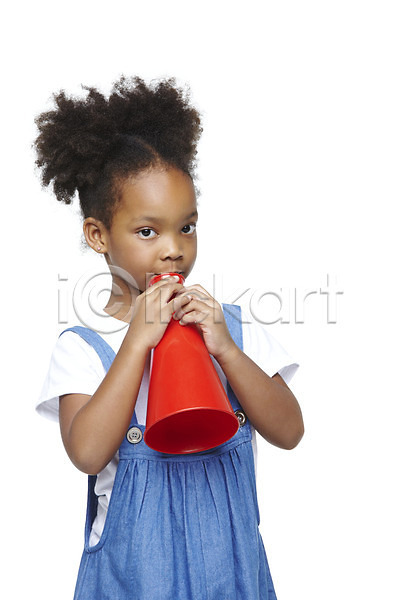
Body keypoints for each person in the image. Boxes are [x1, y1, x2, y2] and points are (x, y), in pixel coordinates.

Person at [35, 76, 304, 600]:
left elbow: (290, 430)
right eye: (147, 231)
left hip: (232, 576)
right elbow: (87, 452)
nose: (173, 249)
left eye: (187, 227)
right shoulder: (84, 346)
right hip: (135, 579)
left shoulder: (230, 326)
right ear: (98, 235)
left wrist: (226, 350)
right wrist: (136, 342)